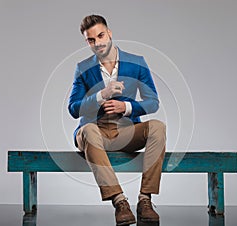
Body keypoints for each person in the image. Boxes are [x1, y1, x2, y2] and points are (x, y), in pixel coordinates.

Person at [68, 14, 166, 225]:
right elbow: (73, 109)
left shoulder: (137, 62)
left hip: (127, 130)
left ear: (109, 33)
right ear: (86, 41)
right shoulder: (83, 67)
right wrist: (101, 95)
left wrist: (127, 107)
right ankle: (119, 201)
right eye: (91, 39)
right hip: (95, 130)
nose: (97, 42)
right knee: (88, 130)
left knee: (157, 127)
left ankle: (145, 200)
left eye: (101, 35)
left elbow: (153, 102)